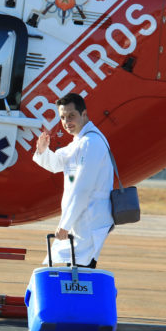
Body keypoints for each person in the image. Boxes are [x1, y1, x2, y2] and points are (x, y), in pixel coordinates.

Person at [33, 93, 113, 268]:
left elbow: (82, 188)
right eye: (62, 117)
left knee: (80, 275)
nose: (66, 121)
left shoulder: (91, 142)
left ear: (83, 114)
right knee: (74, 273)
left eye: (71, 116)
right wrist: (43, 151)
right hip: (80, 221)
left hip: (89, 221)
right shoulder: (79, 142)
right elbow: (56, 164)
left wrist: (65, 224)